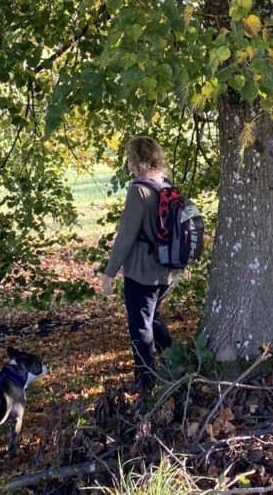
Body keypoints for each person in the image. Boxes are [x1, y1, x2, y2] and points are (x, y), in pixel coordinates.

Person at [100, 137, 178, 394]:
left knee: (140, 325)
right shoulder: (166, 184)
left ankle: (146, 381)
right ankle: (176, 365)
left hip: (142, 273)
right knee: (152, 318)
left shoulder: (139, 190)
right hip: (167, 270)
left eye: (129, 158)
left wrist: (109, 273)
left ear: (136, 160)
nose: (127, 163)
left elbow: (126, 236)